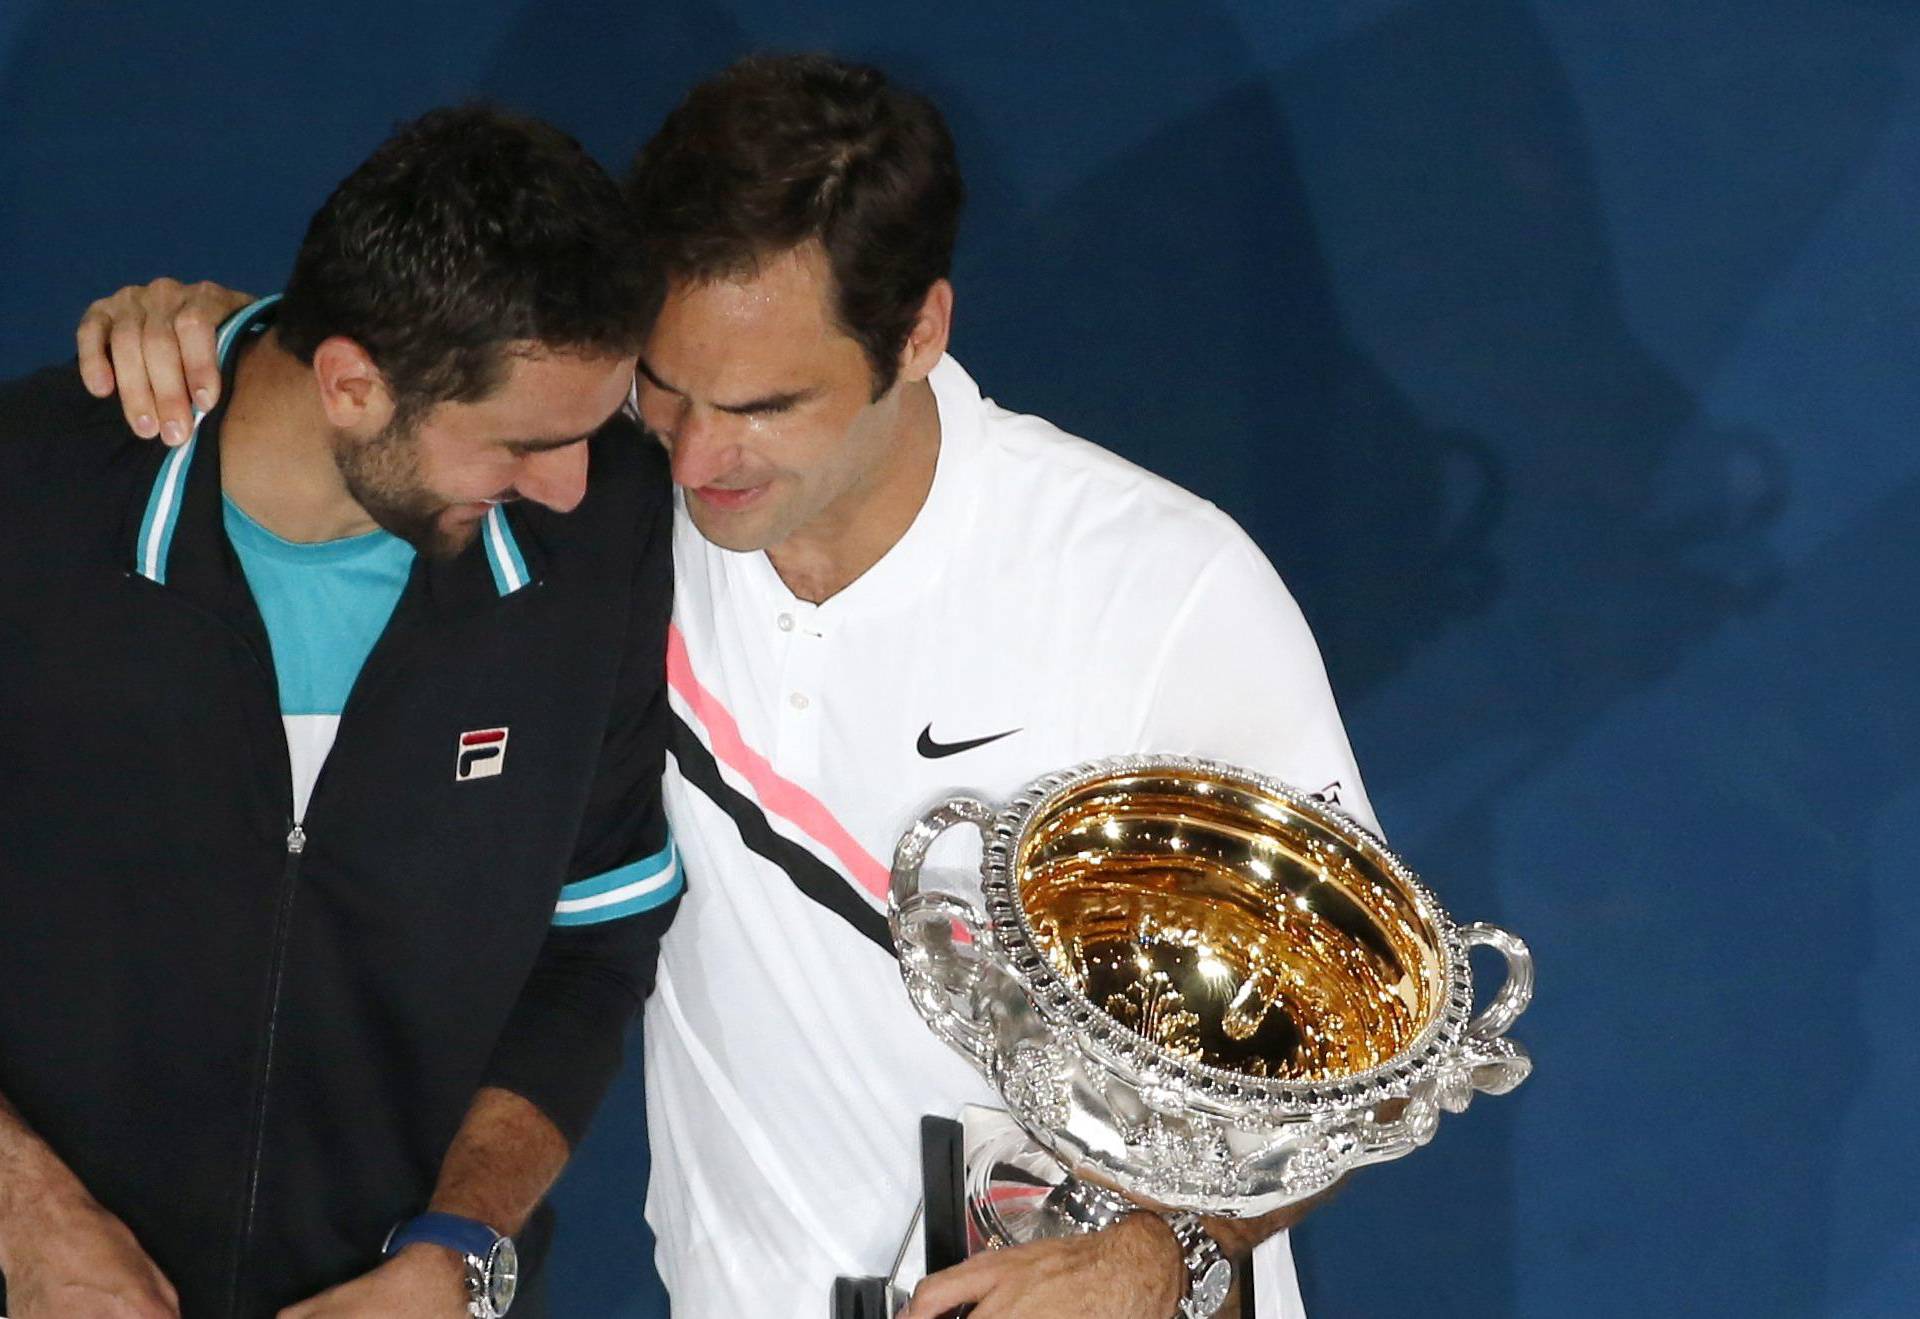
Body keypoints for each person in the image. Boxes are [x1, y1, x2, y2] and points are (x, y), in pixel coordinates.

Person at [76, 55, 1376, 1319]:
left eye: (763, 402)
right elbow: (395, 407)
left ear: (919, 331)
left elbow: (1360, 1063)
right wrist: (218, 338)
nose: (697, 455)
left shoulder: (1159, 592)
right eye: (666, 384)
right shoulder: (610, 520)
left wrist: (1164, 1249)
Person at [5, 106, 681, 1318]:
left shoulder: (607, 534)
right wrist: (26, 1221)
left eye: (595, 425)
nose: (573, 485)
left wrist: (453, 1252)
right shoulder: (24, 502)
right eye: (527, 442)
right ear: (353, 384)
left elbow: (593, 942)